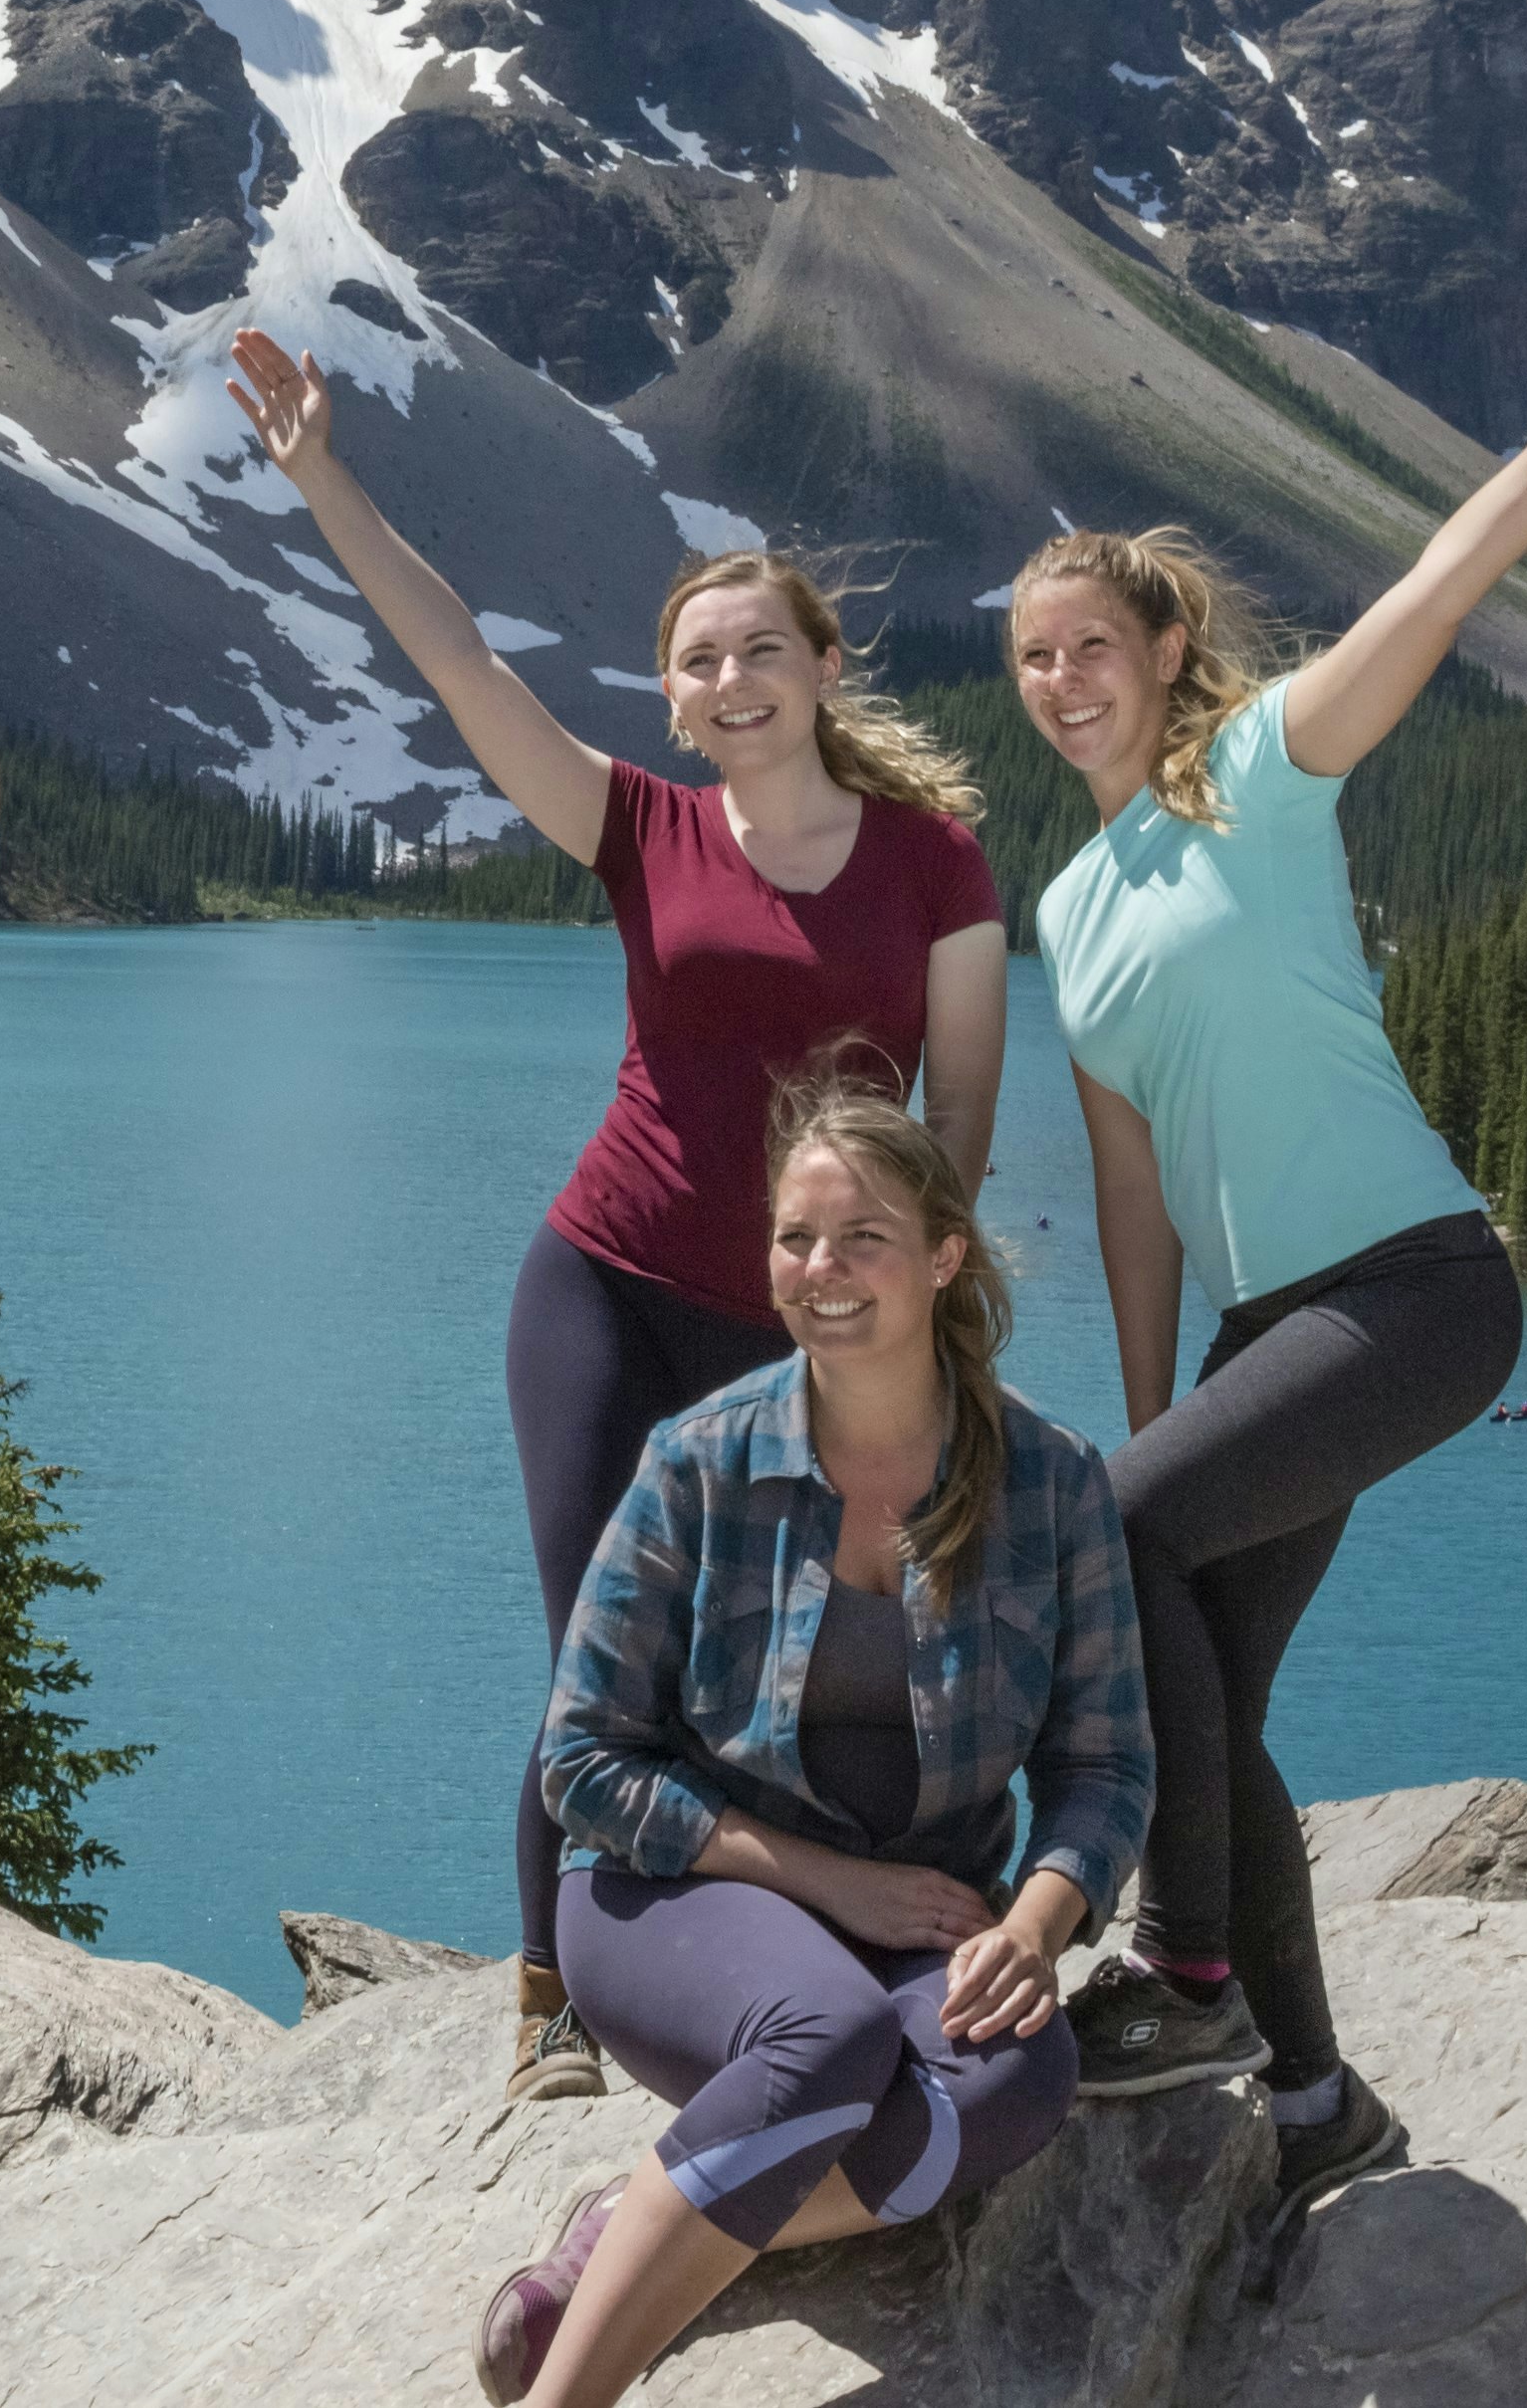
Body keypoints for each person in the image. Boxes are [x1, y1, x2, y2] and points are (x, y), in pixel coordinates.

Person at [1011, 255, 1527, 2214]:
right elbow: (1136, 1198)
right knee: (1201, 1683)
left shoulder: (1260, 772)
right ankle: (1322, 2105)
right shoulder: (1068, 922)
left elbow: (1437, 585)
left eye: (1086, 644)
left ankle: (1178, 1976)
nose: (1058, 678)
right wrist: (1151, 1427)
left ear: (1162, 650)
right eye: (1028, 660)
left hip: (1416, 1294)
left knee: (1118, 1547)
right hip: (1272, 1341)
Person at [225, 328, 1005, 2103]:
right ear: (672, 696)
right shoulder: (641, 826)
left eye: (758, 648)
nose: (730, 678)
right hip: (605, 1282)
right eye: (695, 659)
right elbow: (453, 656)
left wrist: (926, 1307)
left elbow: (957, 1104)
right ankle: (551, 1995)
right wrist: (327, 476)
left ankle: (780, 1966)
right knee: (600, 1654)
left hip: (809, 1327)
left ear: (820, 665)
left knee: (793, 1670)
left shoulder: (935, 861)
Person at [482, 1086, 1149, 2405]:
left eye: (863, 1237)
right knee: (830, 2035)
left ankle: (632, 2222)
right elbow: (582, 1761)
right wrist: (824, 1879)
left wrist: (1037, 1921)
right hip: (669, 1895)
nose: (821, 1270)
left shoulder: (1053, 1480)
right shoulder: (698, 1464)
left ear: (945, 1251)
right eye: (796, 1238)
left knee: (1019, 2075)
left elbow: (1105, 1760)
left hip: (922, 1923)